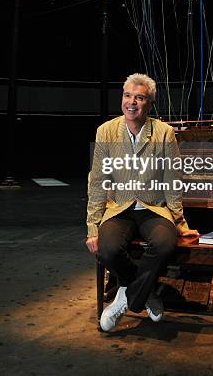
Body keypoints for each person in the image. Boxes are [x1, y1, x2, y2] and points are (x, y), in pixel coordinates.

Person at [86, 72, 199, 331]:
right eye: (127, 96)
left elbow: (172, 180)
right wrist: (93, 227)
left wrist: (180, 222)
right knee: (108, 250)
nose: (132, 102)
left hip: (153, 208)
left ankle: (126, 297)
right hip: (120, 209)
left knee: (164, 243)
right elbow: (97, 182)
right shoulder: (106, 131)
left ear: (149, 103)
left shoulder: (164, 133)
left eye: (139, 97)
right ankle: (145, 294)